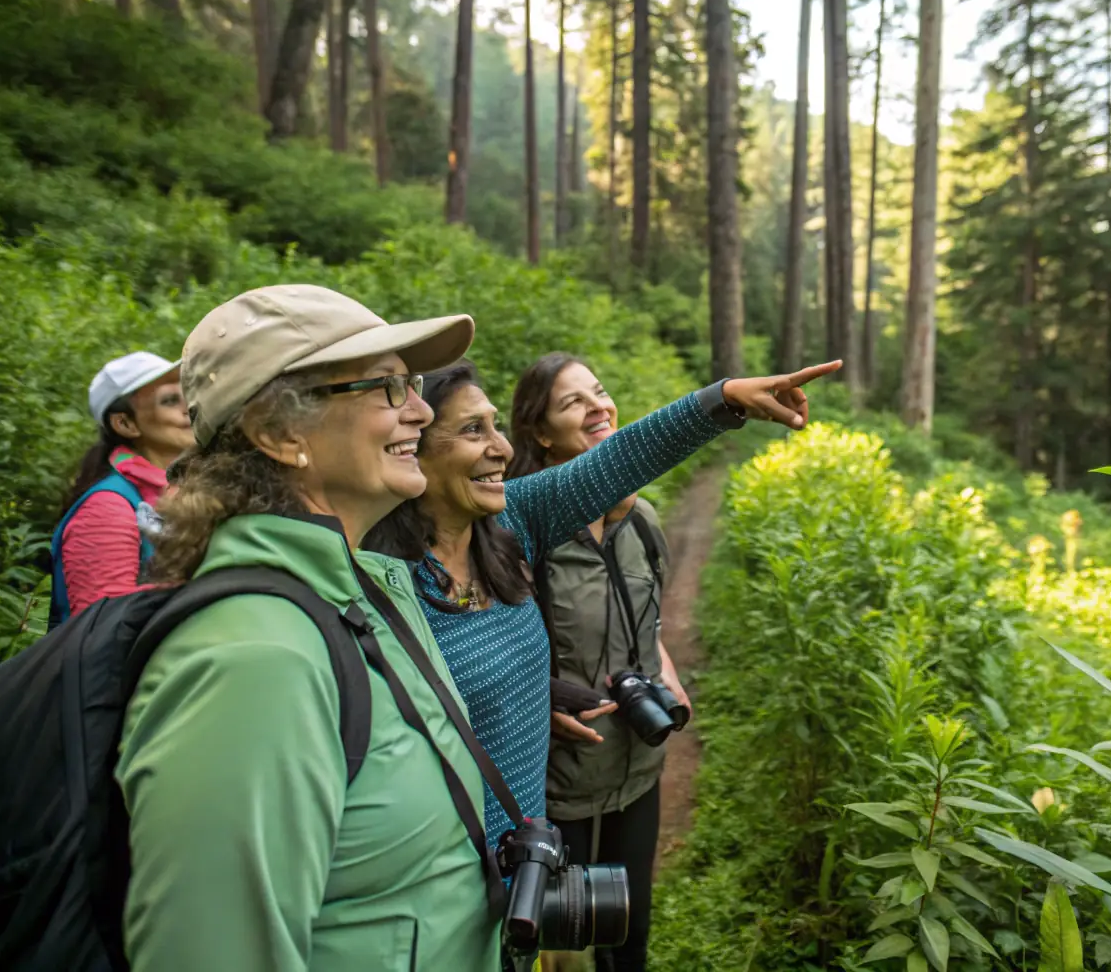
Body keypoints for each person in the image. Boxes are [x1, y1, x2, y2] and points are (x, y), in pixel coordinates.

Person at [114, 283, 507, 971]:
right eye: (386, 388)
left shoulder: (363, 587)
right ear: (278, 432)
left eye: (410, 384)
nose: (419, 409)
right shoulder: (253, 662)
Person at [364, 357, 840, 862]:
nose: (500, 448)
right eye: (472, 430)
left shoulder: (513, 520)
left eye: (496, 426)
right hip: (441, 866)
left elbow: (621, 459)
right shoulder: (380, 578)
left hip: (522, 855)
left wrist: (726, 398)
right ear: (412, 449)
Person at [505, 353, 688, 972]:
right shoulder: (521, 533)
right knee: (569, 941)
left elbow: (650, 620)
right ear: (538, 432)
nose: (597, 407)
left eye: (599, 392)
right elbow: (489, 646)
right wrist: (542, 699)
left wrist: (667, 674)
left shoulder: (641, 521)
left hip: (640, 760)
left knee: (629, 928)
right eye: (571, 402)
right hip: (561, 779)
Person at [49, 352, 193, 624]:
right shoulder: (107, 509)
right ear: (125, 424)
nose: (189, 408)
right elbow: (104, 630)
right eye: (170, 400)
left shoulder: (190, 489)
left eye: (188, 395)